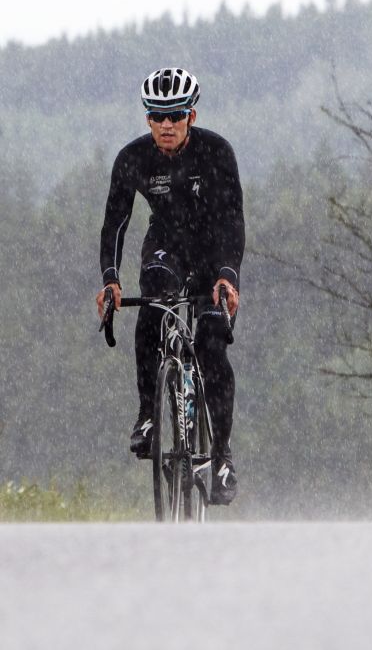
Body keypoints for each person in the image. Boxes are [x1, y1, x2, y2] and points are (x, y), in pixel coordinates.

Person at [95, 67, 245, 505]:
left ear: (190, 116)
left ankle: (220, 457)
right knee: (154, 308)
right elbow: (115, 225)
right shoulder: (133, 159)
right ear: (147, 120)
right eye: (156, 116)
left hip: (214, 251)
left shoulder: (217, 152)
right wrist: (110, 279)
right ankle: (147, 416)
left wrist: (228, 276)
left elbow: (234, 221)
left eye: (174, 115)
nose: (165, 124)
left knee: (212, 343)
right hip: (167, 248)